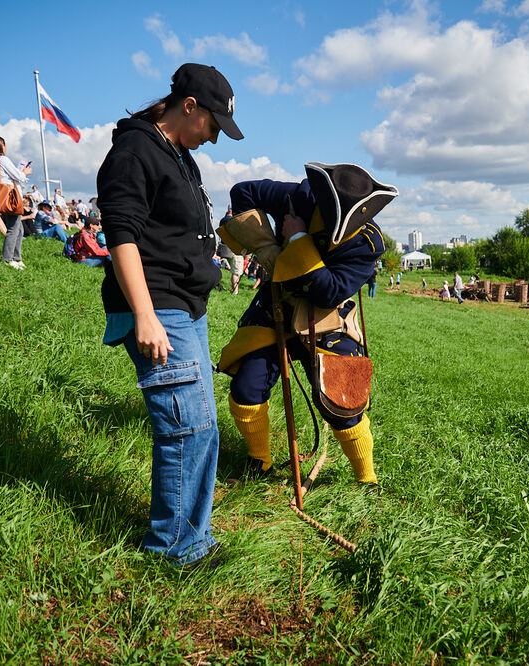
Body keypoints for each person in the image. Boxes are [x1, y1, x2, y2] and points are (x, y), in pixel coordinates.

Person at [98, 62, 243, 569]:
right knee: (187, 427)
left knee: (202, 425)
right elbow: (121, 235)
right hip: (158, 306)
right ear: (189, 106)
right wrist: (144, 314)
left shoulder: (180, 157)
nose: (214, 138)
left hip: (188, 307)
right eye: (213, 126)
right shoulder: (134, 151)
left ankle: (190, 535)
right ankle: (176, 550)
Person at [216, 162, 396, 490]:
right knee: (246, 388)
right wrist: (267, 248)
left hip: (330, 320)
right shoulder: (298, 197)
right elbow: (242, 192)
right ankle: (259, 462)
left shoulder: (367, 243)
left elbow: (328, 292)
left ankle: (366, 479)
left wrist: (298, 239)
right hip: (276, 307)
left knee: (344, 401)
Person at [0, 135, 32, 269]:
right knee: (13, 229)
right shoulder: (3, 159)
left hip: (0, 198)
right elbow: (18, 176)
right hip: (10, 199)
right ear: (2, 146)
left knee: (19, 229)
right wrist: (25, 172)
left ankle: (17, 257)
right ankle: (8, 258)